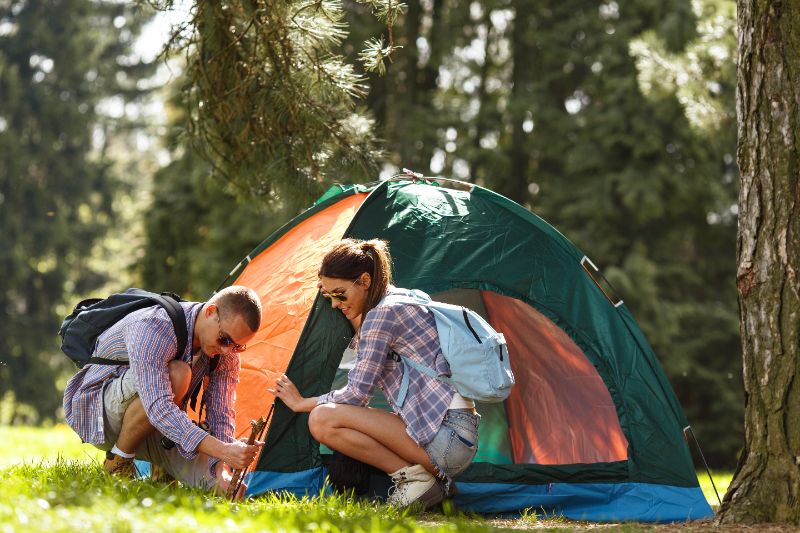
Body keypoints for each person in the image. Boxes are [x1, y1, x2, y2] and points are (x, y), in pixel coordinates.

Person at [270, 239, 480, 509]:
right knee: (325, 417)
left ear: (365, 281)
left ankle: (415, 480)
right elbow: (365, 329)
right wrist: (342, 296)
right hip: (456, 436)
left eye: (340, 294)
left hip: (446, 440)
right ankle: (429, 481)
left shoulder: (382, 315)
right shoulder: (398, 300)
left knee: (322, 419)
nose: (334, 304)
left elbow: (357, 394)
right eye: (330, 296)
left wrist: (301, 403)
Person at [63, 285, 263, 497]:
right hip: (99, 415)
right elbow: (158, 407)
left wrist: (222, 466)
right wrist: (223, 449)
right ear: (211, 312)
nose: (227, 350)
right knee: (179, 374)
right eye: (224, 339)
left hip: (157, 426)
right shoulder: (154, 326)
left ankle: (163, 472)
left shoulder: (227, 353)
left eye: (238, 347)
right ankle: (118, 461)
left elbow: (221, 412)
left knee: (225, 490)